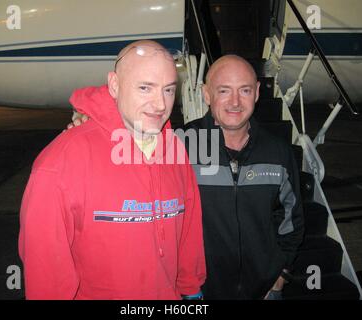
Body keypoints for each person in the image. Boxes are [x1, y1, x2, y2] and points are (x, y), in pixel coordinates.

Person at [71, 54, 304, 300]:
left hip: (264, 291)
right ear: (206, 94)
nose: (235, 102)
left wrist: (281, 276)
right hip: (197, 293)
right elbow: (123, 140)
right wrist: (87, 123)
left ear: (257, 92)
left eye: (244, 90)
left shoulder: (278, 152)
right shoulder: (177, 145)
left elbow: (291, 220)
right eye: (224, 91)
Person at [18, 40, 206, 300]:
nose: (161, 104)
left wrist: (191, 288)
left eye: (169, 90)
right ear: (115, 85)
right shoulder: (60, 163)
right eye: (145, 88)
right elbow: (46, 270)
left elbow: (188, 228)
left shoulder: (175, 149)